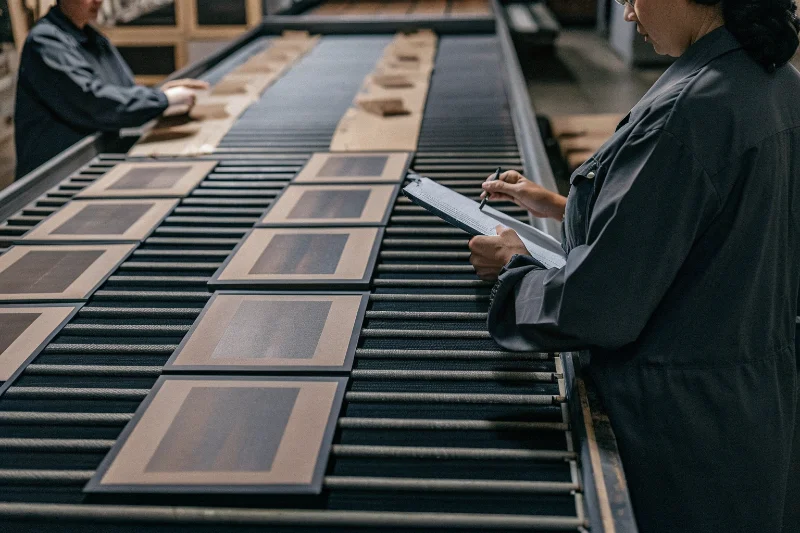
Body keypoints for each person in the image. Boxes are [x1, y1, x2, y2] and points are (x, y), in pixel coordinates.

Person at [468, 0, 800, 532]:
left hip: (681, 426)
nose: (627, 15)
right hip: (754, 408)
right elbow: (712, 226)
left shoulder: (689, 110)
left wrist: (516, 267)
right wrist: (561, 205)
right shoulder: (776, 82)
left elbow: (596, 308)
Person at [14, 0, 208, 179]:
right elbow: (94, 102)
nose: (98, 1)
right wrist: (163, 100)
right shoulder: (46, 42)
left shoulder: (93, 39)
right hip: (55, 177)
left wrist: (159, 96)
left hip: (95, 162)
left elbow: (123, 90)